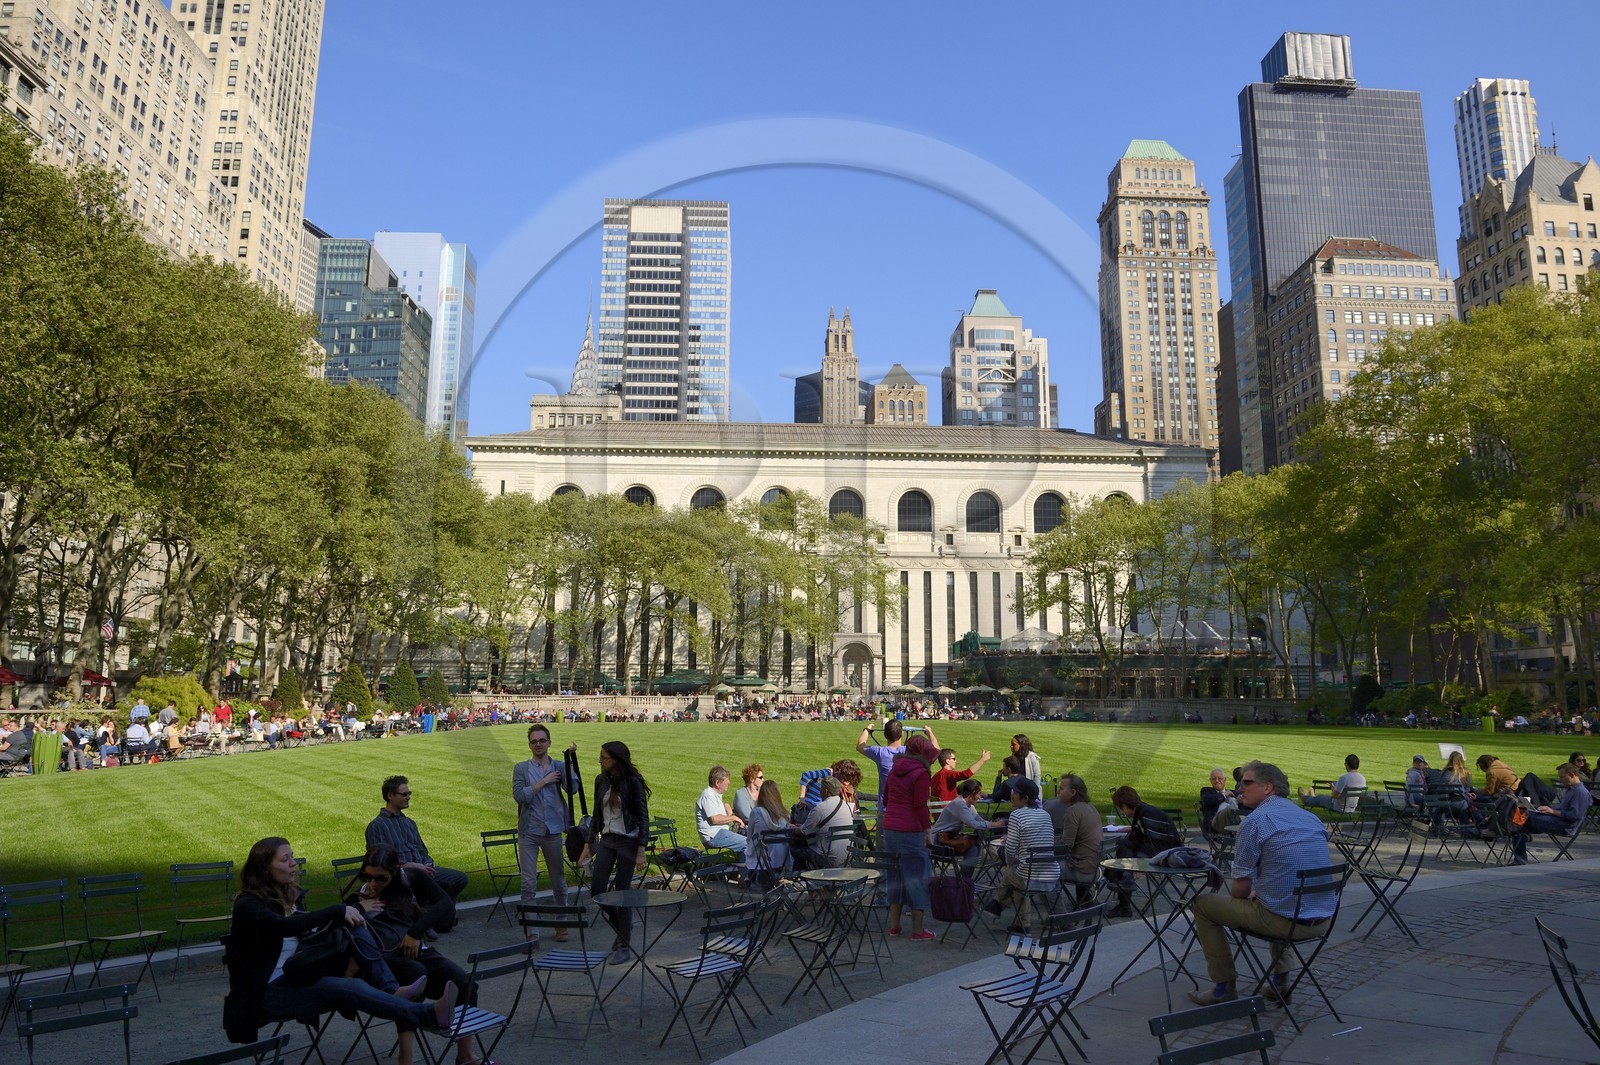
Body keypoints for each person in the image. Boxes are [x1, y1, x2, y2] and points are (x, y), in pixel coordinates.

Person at [225, 837, 451, 1046]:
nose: (293, 863)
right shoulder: (249, 905)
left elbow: (309, 932)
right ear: (264, 868)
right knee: (351, 988)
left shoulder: (285, 896)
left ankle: (391, 989)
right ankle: (430, 1014)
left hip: (297, 974)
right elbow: (285, 927)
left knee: (354, 927)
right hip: (265, 994)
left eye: (292, 856)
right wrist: (339, 910)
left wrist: (348, 915)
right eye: (285, 859)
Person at [1186, 761, 1336, 1007]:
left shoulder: (1255, 821)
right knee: (1273, 898)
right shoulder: (1310, 818)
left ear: (1267, 787)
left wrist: (1251, 893)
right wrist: (1261, 891)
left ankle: (1223, 987)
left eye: (1247, 782)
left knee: (1203, 904)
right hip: (1322, 920)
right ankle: (1280, 982)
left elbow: (1240, 888)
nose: (1240, 788)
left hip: (1284, 922)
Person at [347, 845, 478, 1065]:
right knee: (415, 973)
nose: (373, 883)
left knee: (466, 985)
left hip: (415, 950)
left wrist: (415, 932)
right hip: (383, 962)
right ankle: (405, 1059)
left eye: (381, 878)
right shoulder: (359, 896)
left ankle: (465, 1056)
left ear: (395, 871)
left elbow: (445, 904)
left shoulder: (409, 878)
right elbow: (343, 929)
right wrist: (360, 908)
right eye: (368, 876)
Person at [576, 740, 651, 966]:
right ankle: (623, 927)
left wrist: (641, 848)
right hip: (607, 841)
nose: (599, 761)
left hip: (628, 841)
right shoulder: (601, 780)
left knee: (622, 893)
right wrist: (588, 845)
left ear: (617, 759)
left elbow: (643, 816)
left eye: (604, 758)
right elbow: (596, 815)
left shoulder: (633, 781)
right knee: (597, 890)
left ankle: (623, 945)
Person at [365, 776, 469, 932]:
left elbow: (422, 850)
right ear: (390, 795)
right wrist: (412, 866)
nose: (408, 797)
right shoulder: (377, 826)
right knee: (437, 885)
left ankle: (430, 917)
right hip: (401, 875)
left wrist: (428, 864)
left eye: (409, 794)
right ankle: (436, 919)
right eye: (404, 794)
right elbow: (378, 862)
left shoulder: (409, 823)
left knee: (458, 878)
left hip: (424, 871)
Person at [512, 724, 573, 944]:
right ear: (529, 745)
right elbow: (520, 797)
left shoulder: (559, 766)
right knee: (528, 884)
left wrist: (570, 766)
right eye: (534, 741)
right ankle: (532, 931)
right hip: (529, 831)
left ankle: (562, 925)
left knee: (559, 881)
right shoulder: (521, 768)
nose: (538, 744)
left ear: (549, 742)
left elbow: (573, 789)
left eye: (542, 740)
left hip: (553, 830)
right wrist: (544, 782)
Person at [879, 734, 938, 941]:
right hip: (911, 830)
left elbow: (886, 799)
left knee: (895, 877)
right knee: (916, 878)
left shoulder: (895, 769)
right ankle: (917, 930)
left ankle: (894, 927)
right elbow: (920, 806)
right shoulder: (921, 773)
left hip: (890, 828)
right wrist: (928, 831)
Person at [984, 778, 1058, 931]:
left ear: (1025, 798)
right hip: (1050, 874)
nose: (1011, 795)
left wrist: (1011, 862)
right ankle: (1021, 924)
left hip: (1029, 877)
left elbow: (1010, 851)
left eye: (1015, 793)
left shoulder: (1017, 815)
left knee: (1009, 867)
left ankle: (999, 903)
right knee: (1017, 874)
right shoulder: (1045, 814)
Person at [1105, 785, 1180, 919]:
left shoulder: (1146, 814)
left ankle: (1123, 894)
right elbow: (1142, 837)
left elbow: (1151, 842)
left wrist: (1139, 864)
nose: (1122, 812)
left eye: (1121, 808)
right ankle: (1123, 878)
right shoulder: (1143, 810)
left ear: (1125, 805)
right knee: (1123, 845)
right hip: (1163, 849)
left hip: (1167, 854)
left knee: (1123, 853)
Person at [1512, 762, 1592, 864]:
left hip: (1565, 826)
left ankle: (1501, 828)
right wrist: (1546, 810)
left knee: (1523, 816)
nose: (1560, 780)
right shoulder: (1572, 790)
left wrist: (1552, 811)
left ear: (1572, 775)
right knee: (1520, 825)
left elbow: (1574, 815)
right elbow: (1563, 808)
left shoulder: (1580, 792)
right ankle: (1520, 859)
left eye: (1562, 777)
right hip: (1558, 821)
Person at [1048, 774, 1103, 907]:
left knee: (1044, 870)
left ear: (1073, 792)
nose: (1058, 792)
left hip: (1082, 870)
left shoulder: (1072, 811)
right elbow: (1071, 839)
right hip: (1096, 867)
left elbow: (1066, 845)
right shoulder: (1090, 807)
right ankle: (1084, 900)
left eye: (1061, 788)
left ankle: (1058, 913)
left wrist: (1042, 843)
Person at [859, 720, 940, 807]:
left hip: (886, 807)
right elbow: (936, 750)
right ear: (902, 734)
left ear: (885, 735)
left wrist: (867, 730)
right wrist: (929, 732)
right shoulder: (910, 751)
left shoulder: (880, 753)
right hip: (908, 806)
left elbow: (860, 746)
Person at [933, 778, 1004, 871]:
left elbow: (980, 821)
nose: (980, 797)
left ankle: (964, 877)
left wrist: (995, 823)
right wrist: (997, 824)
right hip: (938, 842)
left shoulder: (969, 806)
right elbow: (974, 824)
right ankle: (965, 877)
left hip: (950, 840)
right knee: (973, 848)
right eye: (978, 793)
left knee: (974, 847)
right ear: (972, 793)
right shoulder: (959, 804)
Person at [798, 777, 857, 869]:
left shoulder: (820, 808)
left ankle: (802, 876)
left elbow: (803, 831)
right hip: (847, 857)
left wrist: (792, 827)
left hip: (827, 857)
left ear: (825, 791)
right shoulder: (846, 806)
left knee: (795, 849)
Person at [744, 780, 791, 890]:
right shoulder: (785, 816)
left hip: (762, 857)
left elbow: (749, 836)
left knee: (750, 847)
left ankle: (749, 877)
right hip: (781, 857)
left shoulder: (756, 813)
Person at [694, 766, 748, 854]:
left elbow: (716, 809)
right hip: (714, 836)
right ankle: (746, 862)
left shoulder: (714, 794)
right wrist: (734, 818)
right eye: (727, 780)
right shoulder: (708, 795)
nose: (729, 782)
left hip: (720, 833)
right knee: (748, 843)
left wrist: (726, 805)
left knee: (751, 834)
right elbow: (715, 819)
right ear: (717, 783)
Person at [1297, 754, 1365, 813]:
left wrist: (1333, 788)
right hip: (1352, 808)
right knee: (1320, 798)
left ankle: (1304, 798)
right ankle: (1311, 795)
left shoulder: (1344, 778)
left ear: (1347, 764)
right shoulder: (1362, 779)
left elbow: (1335, 796)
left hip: (1338, 807)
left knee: (1320, 798)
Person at [1199, 768, 1235, 840]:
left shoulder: (1233, 793)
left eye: (1220, 778)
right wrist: (1224, 795)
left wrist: (1240, 800)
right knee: (1231, 809)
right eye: (1214, 779)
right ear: (1210, 781)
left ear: (1225, 780)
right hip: (1216, 823)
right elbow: (1206, 800)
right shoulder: (1207, 791)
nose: (1217, 781)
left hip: (1231, 822)